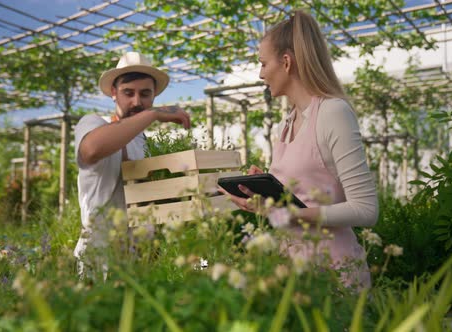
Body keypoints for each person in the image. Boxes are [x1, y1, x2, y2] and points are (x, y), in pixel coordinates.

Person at [220, 11, 378, 288]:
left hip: (333, 275)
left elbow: (366, 210)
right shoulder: (290, 119)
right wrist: (266, 192)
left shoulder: (333, 112)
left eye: (263, 63)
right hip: (291, 272)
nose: (260, 74)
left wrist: (287, 213)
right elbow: (302, 190)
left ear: (286, 62)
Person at [73, 52, 190, 278]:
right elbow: (91, 150)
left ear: (154, 96)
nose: (137, 102)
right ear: (114, 93)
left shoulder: (146, 143)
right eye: (129, 93)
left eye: (145, 94)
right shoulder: (94, 124)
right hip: (101, 257)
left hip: (142, 257)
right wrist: (154, 114)